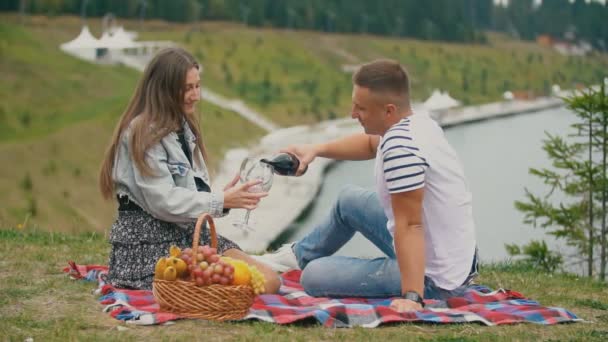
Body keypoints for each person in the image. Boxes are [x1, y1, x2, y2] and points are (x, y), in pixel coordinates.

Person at [255, 59, 478, 312]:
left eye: (360, 108)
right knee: (348, 199)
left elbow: (410, 225)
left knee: (313, 277)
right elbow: (371, 144)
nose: (352, 114)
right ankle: (292, 257)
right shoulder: (418, 123)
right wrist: (314, 150)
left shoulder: (402, 149)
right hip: (451, 253)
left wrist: (413, 297)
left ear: (389, 111)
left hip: (436, 277)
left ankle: (404, 281)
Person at [98, 47, 280, 293]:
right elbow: (163, 202)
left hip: (190, 237)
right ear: (164, 90)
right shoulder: (140, 133)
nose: (196, 95)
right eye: (187, 88)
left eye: (197, 86)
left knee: (269, 280)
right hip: (149, 245)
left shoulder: (182, 126)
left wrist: (225, 200)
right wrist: (221, 200)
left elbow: (185, 192)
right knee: (253, 285)